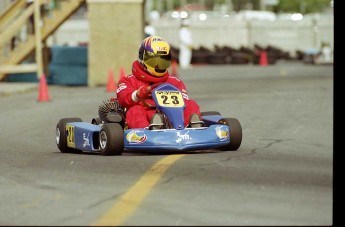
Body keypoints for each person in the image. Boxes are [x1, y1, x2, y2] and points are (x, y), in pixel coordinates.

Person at [116, 35, 203, 129]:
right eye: (154, 61)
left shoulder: (174, 81)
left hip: (171, 118)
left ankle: (192, 128)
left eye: (163, 61)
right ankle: (146, 134)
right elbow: (123, 98)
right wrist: (137, 94)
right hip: (145, 117)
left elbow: (184, 103)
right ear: (143, 58)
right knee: (135, 109)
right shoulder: (129, 80)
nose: (159, 66)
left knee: (191, 104)